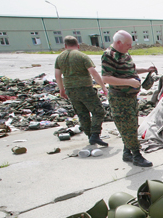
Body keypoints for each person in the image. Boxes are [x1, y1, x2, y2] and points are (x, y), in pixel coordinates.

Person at [101, 30, 157, 167]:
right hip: (120, 99)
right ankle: (137, 156)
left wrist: (146, 70)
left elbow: (130, 70)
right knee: (128, 127)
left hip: (130, 98)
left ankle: (127, 152)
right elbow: (106, 78)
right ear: (118, 43)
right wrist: (129, 82)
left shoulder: (124, 54)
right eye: (128, 44)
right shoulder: (109, 56)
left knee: (131, 125)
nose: (130, 47)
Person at [55, 36, 108, 147]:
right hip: (85, 88)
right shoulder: (82, 56)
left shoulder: (59, 58)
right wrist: (103, 86)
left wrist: (61, 89)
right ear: (78, 45)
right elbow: (93, 72)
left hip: (70, 90)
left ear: (65, 46)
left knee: (82, 114)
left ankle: (90, 136)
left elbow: (57, 75)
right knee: (98, 111)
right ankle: (95, 135)